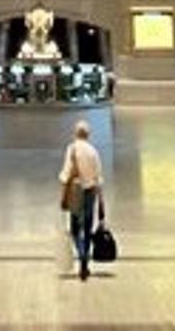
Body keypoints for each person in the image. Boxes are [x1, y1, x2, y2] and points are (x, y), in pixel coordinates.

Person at [58, 118, 105, 281]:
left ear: (75, 133)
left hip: (75, 190)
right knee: (87, 227)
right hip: (90, 190)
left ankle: (82, 254)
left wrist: (63, 196)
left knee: (75, 228)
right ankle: (86, 257)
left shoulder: (72, 149)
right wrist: (102, 203)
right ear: (88, 134)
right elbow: (99, 178)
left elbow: (66, 175)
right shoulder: (93, 151)